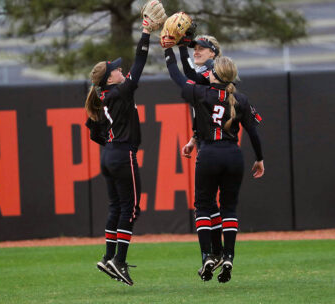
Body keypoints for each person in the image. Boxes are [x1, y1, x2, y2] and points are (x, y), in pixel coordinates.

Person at [163, 47, 265, 283]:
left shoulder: (201, 93)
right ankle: (228, 256)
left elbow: (177, 76)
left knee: (202, 207)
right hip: (233, 155)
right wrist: (259, 159)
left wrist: (169, 51)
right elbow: (253, 133)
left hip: (209, 153)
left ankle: (208, 255)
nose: (207, 73)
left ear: (216, 74)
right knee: (228, 208)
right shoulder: (240, 98)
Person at [84, 25, 151, 286]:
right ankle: (118, 261)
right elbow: (141, 62)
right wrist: (146, 33)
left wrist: (111, 147)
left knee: (116, 207)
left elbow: (93, 133)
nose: (121, 70)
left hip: (111, 155)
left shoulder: (106, 94)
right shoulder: (119, 91)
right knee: (131, 209)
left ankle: (109, 256)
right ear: (109, 79)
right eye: (116, 69)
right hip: (122, 153)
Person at [177, 34, 226, 272]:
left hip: (214, 146)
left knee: (203, 204)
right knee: (211, 203)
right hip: (212, 143)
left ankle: (211, 254)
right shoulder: (212, 74)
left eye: (202, 48)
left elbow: (187, 76)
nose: (197, 51)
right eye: (195, 47)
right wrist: (194, 138)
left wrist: (174, 50)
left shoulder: (213, 73)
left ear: (213, 53)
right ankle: (218, 253)